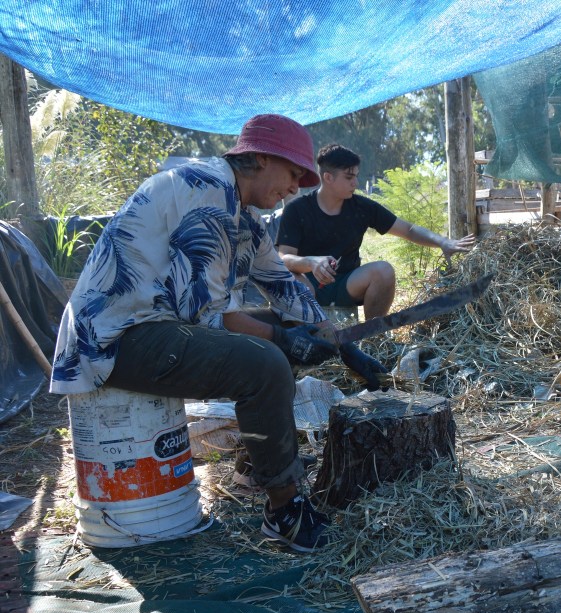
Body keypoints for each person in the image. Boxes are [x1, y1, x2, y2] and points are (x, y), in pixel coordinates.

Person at [50, 113, 387, 553]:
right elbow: (206, 316)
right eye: (292, 174)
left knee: (284, 326)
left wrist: (339, 342)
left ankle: (258, 461)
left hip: (156, 327)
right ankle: (284, 511)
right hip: (112, 340)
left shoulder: (243, 214)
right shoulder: (204, 191)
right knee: (264, 363)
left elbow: (284, 286)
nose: (295, 189)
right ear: (261, 158)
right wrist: (284, 342)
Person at [276, 144, 476, 319]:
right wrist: (311, 263)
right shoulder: (297, 209)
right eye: (349, 177)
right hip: (308, 284)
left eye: (356, 176)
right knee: (290, 280)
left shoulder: (362, 207)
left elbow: (408, 229)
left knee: (383, 271)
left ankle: (373, 336)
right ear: (328, 177)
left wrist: (442, 242)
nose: (355, 183)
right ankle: (304, 333)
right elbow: (284, 258)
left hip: (347, 284)